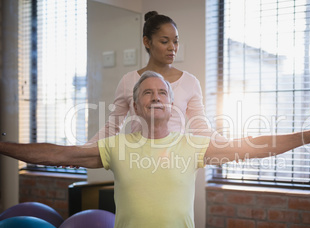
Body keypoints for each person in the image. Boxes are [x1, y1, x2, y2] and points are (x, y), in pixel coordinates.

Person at [0, 71, 310, 228]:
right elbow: (57, 154)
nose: (156, 97)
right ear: (136, 105)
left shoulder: (191, 144)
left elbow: (254, 145)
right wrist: (3, 146)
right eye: (148, 93)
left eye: (163, 93)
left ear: (171, 105)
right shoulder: (116, 146)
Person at [88, 11, 222, 143]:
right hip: (139, 157)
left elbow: (201, 129)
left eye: (175, 41)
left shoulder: (190, 82)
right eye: (164, 42)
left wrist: (234, 147)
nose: (172, 47)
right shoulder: (129, 81)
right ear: (147, 42)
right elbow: (112, 128)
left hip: (176, 158)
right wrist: (80, 151)